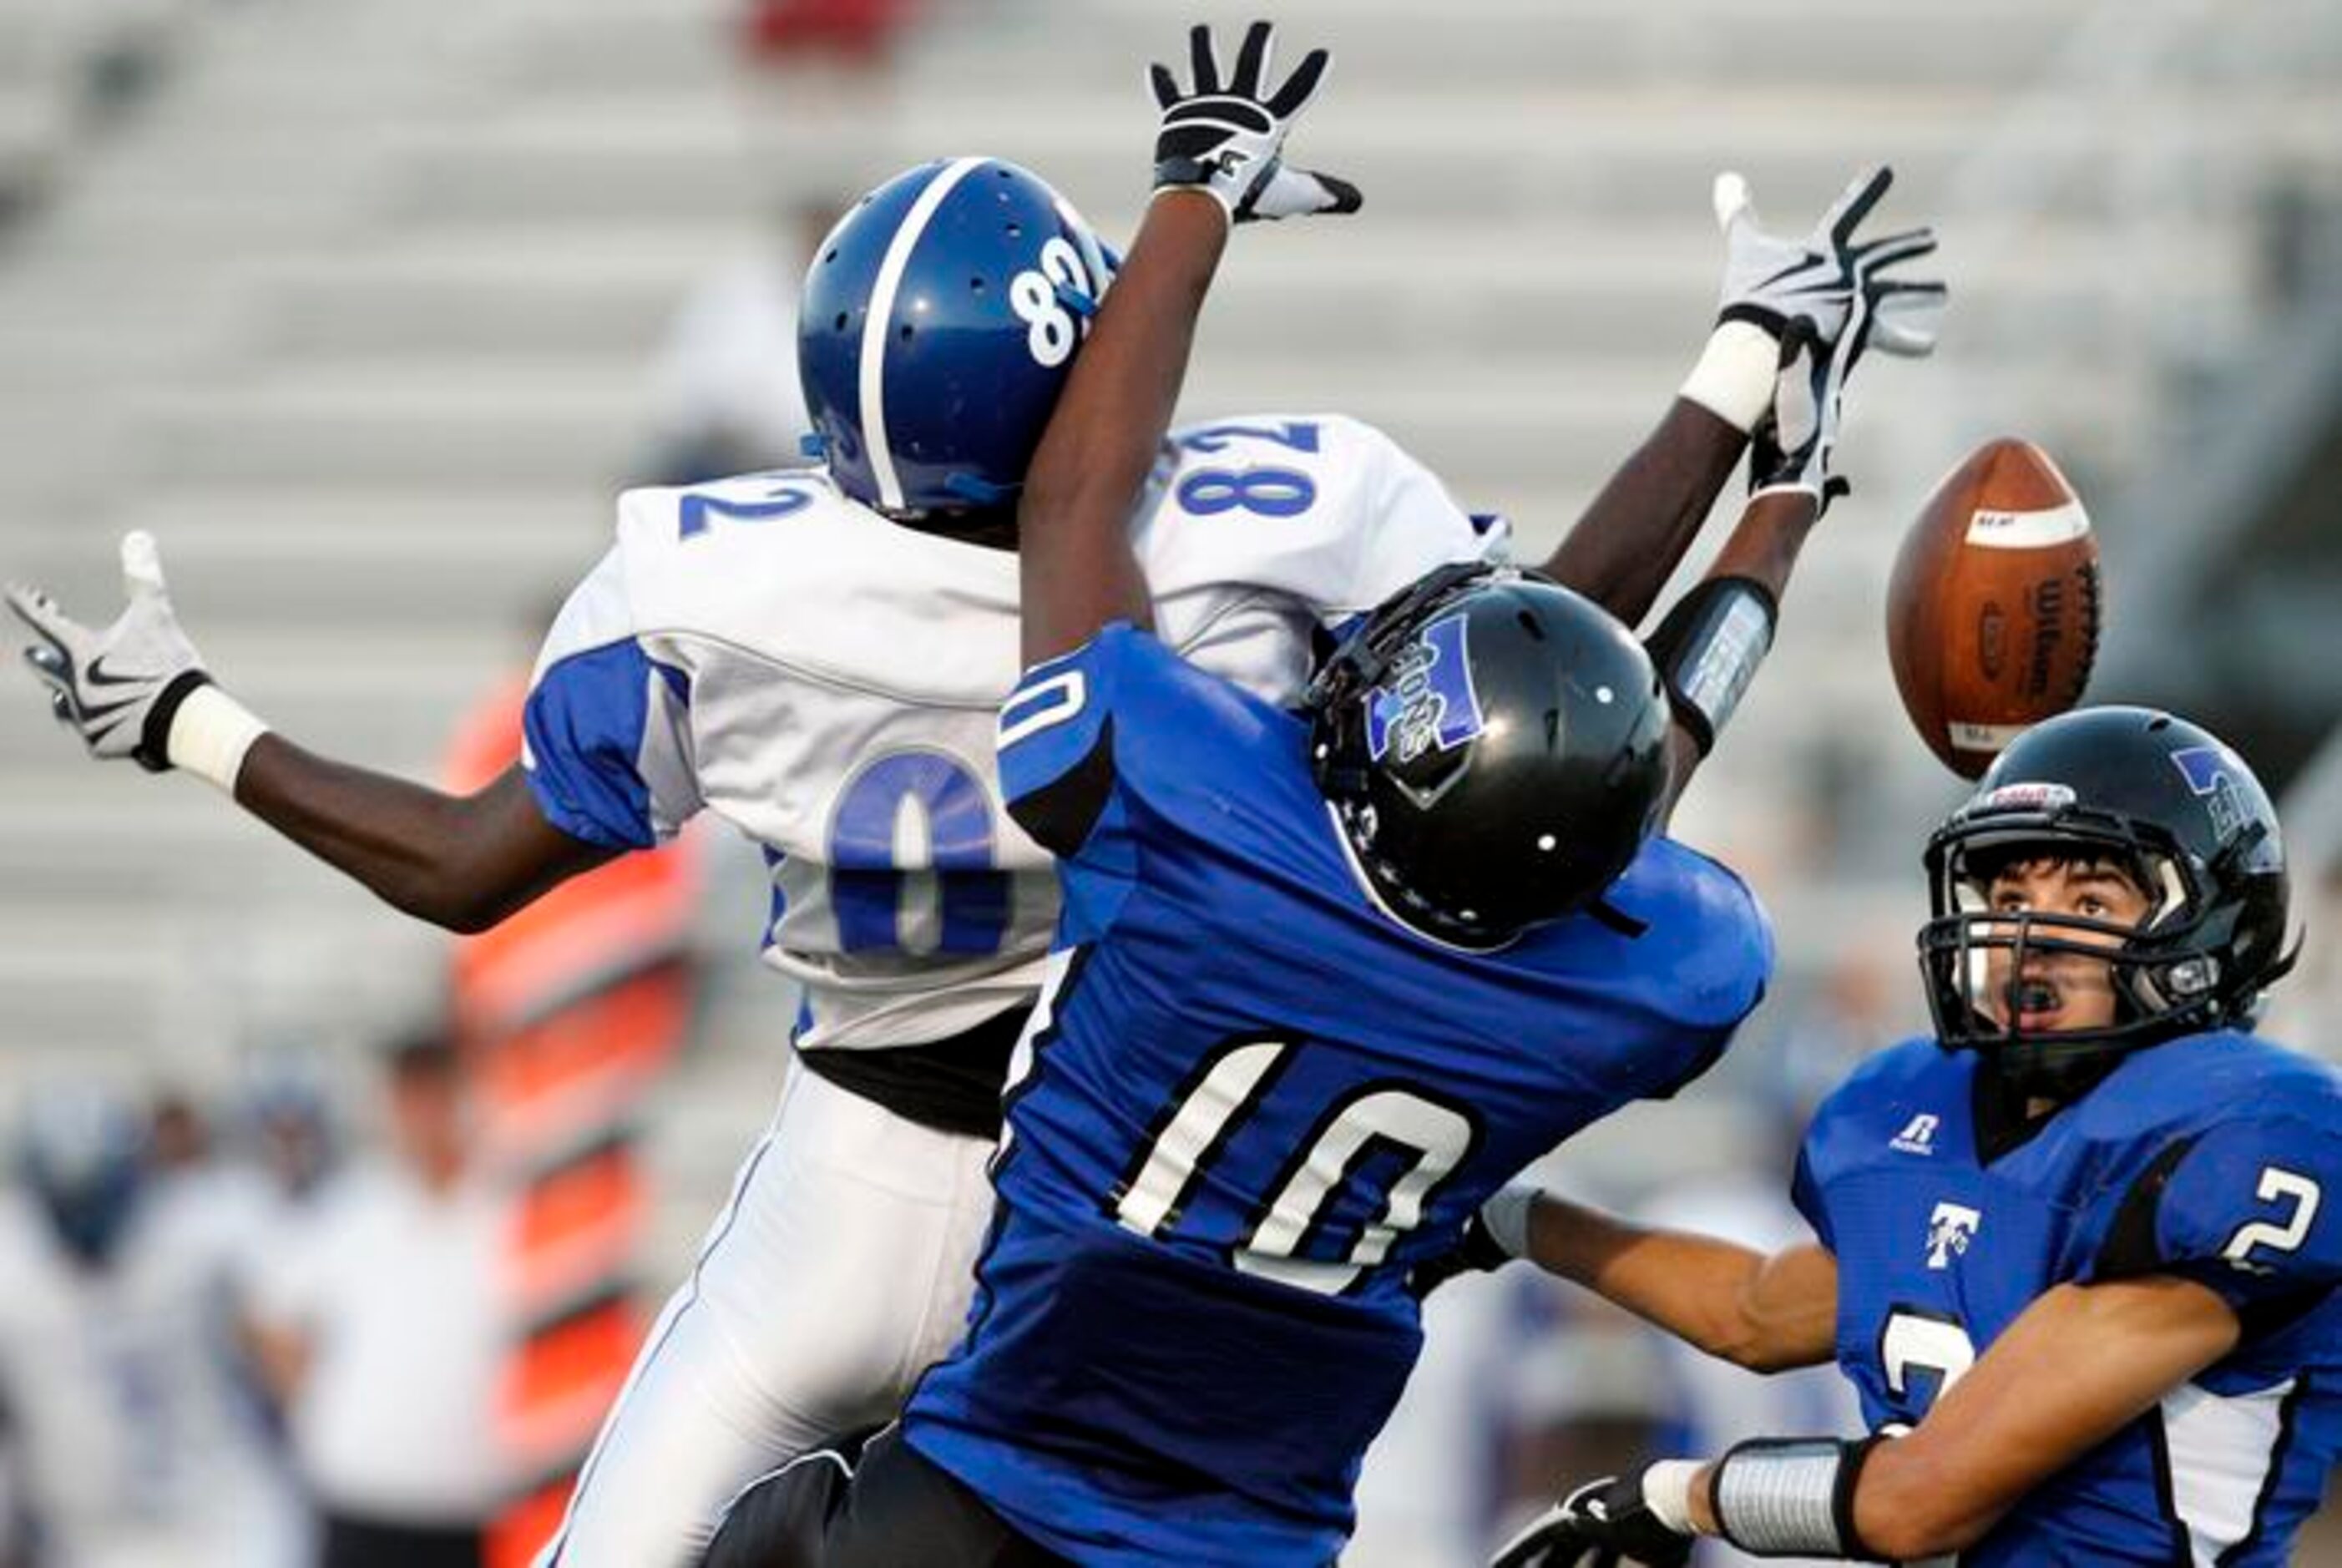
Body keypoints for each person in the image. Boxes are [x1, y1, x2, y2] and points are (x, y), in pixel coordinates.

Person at [4, 28, 1938, 1565]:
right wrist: (1739, 393)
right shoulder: (1271, 521)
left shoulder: (718, 573)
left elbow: (460, 864)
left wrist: (187, 720)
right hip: (1124, 1228)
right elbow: (1539, 681)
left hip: (845, 1194)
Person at [701, 23, 1938, 1567]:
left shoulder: (1204, 819)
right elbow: (1641, 733)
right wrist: (1781, 490)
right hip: (1253, 1538)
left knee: (750, 1533)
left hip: (996, 1485)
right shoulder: (1638, 983)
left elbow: (1078, 495)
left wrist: (1194, 191)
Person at [1475, 707, 2338, 1566]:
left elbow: (1915, 1504)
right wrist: (1512, 1218)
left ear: (2209, 927)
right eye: (2010, 897)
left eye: (2089, 900)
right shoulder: (1925, 1105)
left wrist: (1679, 1498)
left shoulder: (2234, 1139)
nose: (2030, 937)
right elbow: (1758, 1311)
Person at [245, 1033, 508, 1568]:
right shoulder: (355, 1206)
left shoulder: (508, 1206)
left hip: (475, 1505)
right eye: (410, 1098)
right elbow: (269, 1316)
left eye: (436, 1095)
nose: (423, 1116)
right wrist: (319, 1406)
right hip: (360, 1501)